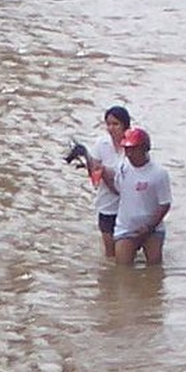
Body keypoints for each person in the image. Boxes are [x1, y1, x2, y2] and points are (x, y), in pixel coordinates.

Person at [104, 127, 171, 266]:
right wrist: (100, 171)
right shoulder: (122, 167)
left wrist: (149, 227)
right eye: (127, 149)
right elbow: (116, 188)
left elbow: (165, 204)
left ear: (144, 149)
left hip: (152, 230)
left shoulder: (159, 173)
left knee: (154, 268)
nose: (129, 153)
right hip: (126, 228)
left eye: (133, 149)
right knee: (122, 269)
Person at [85, 106, 130, 259]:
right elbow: (94, 177)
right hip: (107, 205)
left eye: (116, 124)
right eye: (108, 124)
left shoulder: (132, 146)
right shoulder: (101, 144)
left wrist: (105, 171)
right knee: (111, 255)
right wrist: (93, 168)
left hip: (129, 206)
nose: (111, 128)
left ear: (125, 125)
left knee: (127, 252)